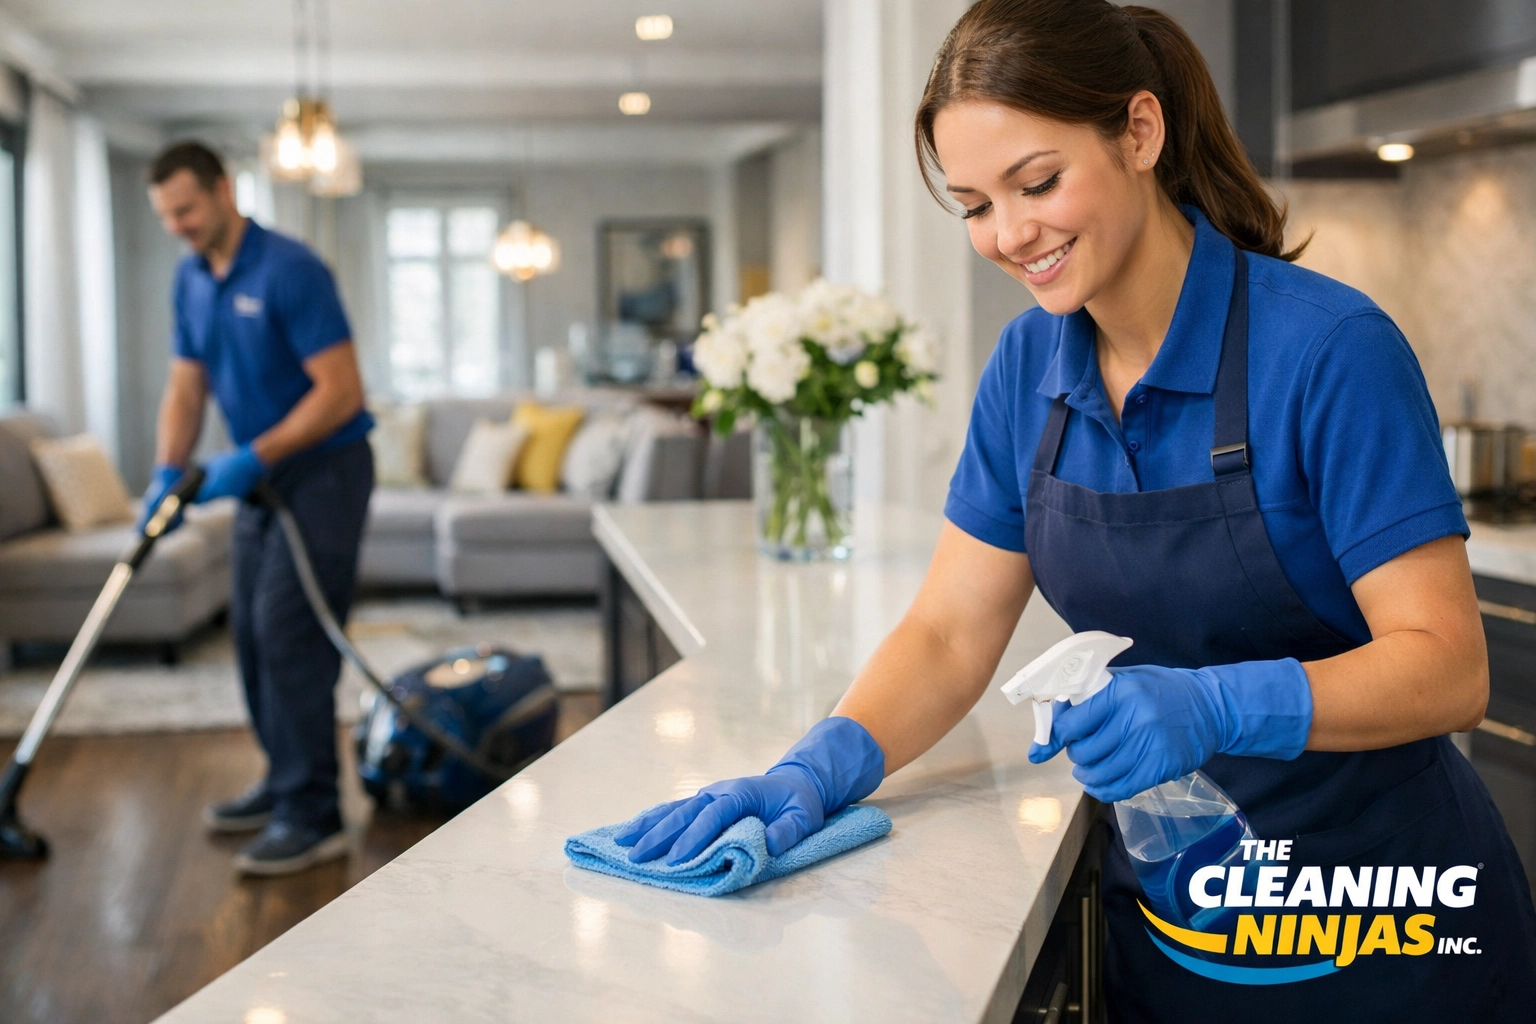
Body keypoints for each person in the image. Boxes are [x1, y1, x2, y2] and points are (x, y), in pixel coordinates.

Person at [614, 1, 1536, 1018]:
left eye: (1038, 182)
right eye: (972, 204)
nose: (1010, 236)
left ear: (1141, 132)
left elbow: (1449, 664)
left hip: (1381, 934)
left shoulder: (1327, 352)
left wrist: (1219, 704)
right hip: (1174, 935)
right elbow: (951, 628)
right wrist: (823, 763)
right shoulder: (1027, 369)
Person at [141, 141, 374, 876]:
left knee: (289, 633)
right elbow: (186, 387)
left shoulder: (290, 270)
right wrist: (166, 472)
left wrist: (249, 457)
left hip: (324, 473)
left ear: (223, 191)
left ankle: (315, 814)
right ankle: (283, 781)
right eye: (165, 215)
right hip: (262, 482)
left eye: (185, 209)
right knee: (249, 632)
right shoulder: (191, 278)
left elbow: (341, 392)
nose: (176, 225)